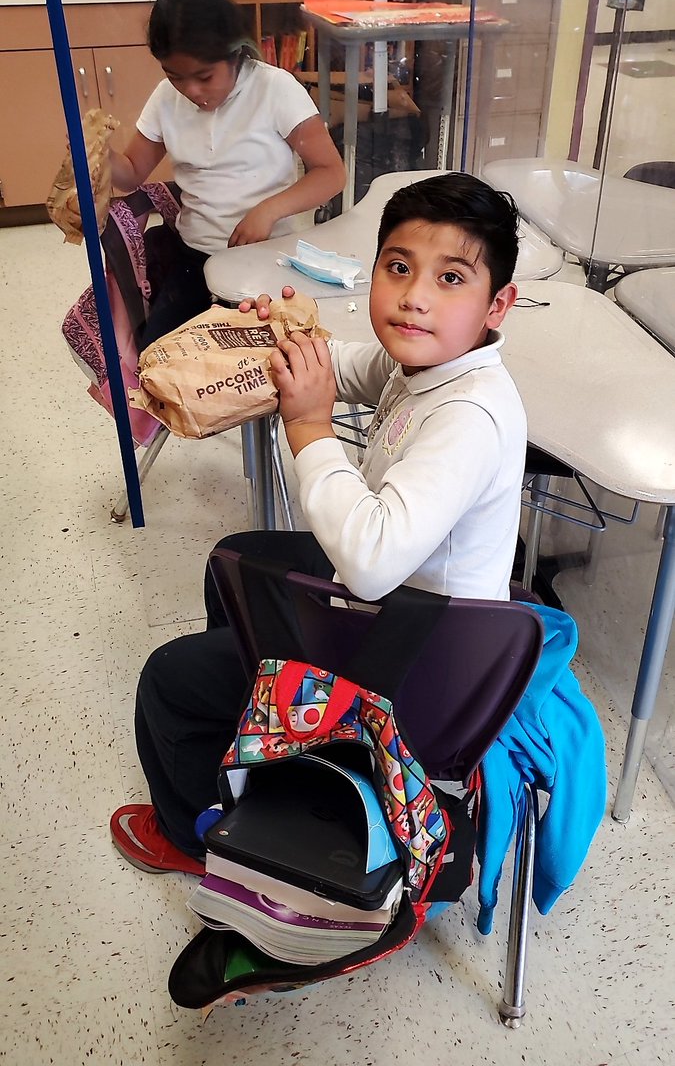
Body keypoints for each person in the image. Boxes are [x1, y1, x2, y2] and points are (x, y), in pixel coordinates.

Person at [110, 171, 526, 874]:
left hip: (415, 670)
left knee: (168, 680)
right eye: (398, 268)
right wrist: (275, 336)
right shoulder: (432, 362)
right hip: (404, 616)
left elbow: (367, 560)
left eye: (450, 278)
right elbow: (338, 364)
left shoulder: (469, 417)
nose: (414, 297)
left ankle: (190, 841)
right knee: (234, 558)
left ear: (497, 304)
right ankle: (263, 739)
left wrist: (307, 424)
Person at [109, 0, 346, 348]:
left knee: (266, 367)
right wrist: (98, 156)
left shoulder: (275, 89)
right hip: (196, 258)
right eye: (174, 76)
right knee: (157, 358)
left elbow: (332, 173)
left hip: (269, 259)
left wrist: (268, 210)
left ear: (235, 55)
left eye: (204, 77)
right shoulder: (165, 99)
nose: (191, 91)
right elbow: (131, 174)